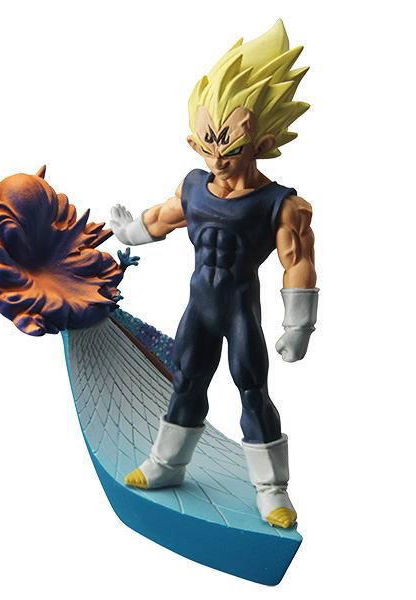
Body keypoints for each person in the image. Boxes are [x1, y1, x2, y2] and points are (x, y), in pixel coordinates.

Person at [109, 20, 318, 529]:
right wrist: (128, 230)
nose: (218, 158)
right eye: (207, 145)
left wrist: (298, 324)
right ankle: (166, 464)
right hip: (199, 308)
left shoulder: (279, 204)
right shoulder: (193, 187)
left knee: (252, 391)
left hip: (241, 311)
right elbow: (163, 218)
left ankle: (271, 489)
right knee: (186, 380)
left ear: (262, 141)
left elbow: (297, 261)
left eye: (231, 147)